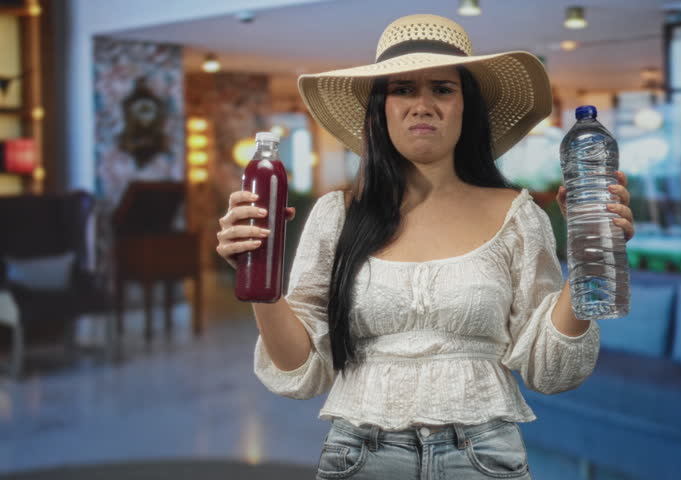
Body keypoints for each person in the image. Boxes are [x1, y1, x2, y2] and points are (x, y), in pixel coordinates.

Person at [216, 14, 634, 480]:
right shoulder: (338, 215)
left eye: (442, 89)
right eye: (402, 90)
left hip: (483, 456)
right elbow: (299, 371)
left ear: (466, 107)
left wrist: (590, 253)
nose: (422, 105)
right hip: (361, 455)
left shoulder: (517, 215)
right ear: (380, 109)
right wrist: (259, 276)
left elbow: (550, 370)